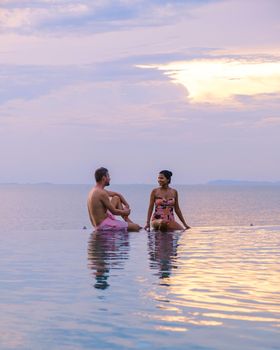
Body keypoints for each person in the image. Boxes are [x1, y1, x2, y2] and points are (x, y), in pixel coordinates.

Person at [87, 167, 141, 232]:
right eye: (108, 176)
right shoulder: (101, 193)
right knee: (136, 227)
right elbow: (114, 211)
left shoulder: (95, 190)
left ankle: (126, 220)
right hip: (104, 225)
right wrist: (126, 212)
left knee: (116, 198)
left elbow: (117, 194)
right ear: (104, 178)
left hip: (102, 220)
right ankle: (129, 224)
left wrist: (126, 205)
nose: (110, 178)